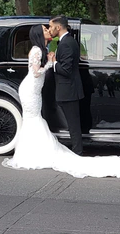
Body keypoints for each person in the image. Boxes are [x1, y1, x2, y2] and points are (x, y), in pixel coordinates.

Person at [2, 25, 120, 178]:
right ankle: (32, 154)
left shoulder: (42, 48)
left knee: (34, 118)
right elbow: (35, 73)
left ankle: (34, 152)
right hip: (30, 90)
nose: (48, 31)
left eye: (48, 28)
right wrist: (51, 63)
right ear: (39, 35)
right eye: (45, 30)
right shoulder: (37, 50)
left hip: (34, 90)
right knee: (33, 118)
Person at [48, 15, 84, 155]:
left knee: (73, 125)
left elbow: (67, 70)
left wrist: (54, 61)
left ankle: (77, 153)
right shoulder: (65, 41)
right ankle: (77, 151)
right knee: (72, 124)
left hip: (69, 90)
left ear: (58, 27)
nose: (50, 30)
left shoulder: (67, 43)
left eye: (51, 27)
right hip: (68, 90)